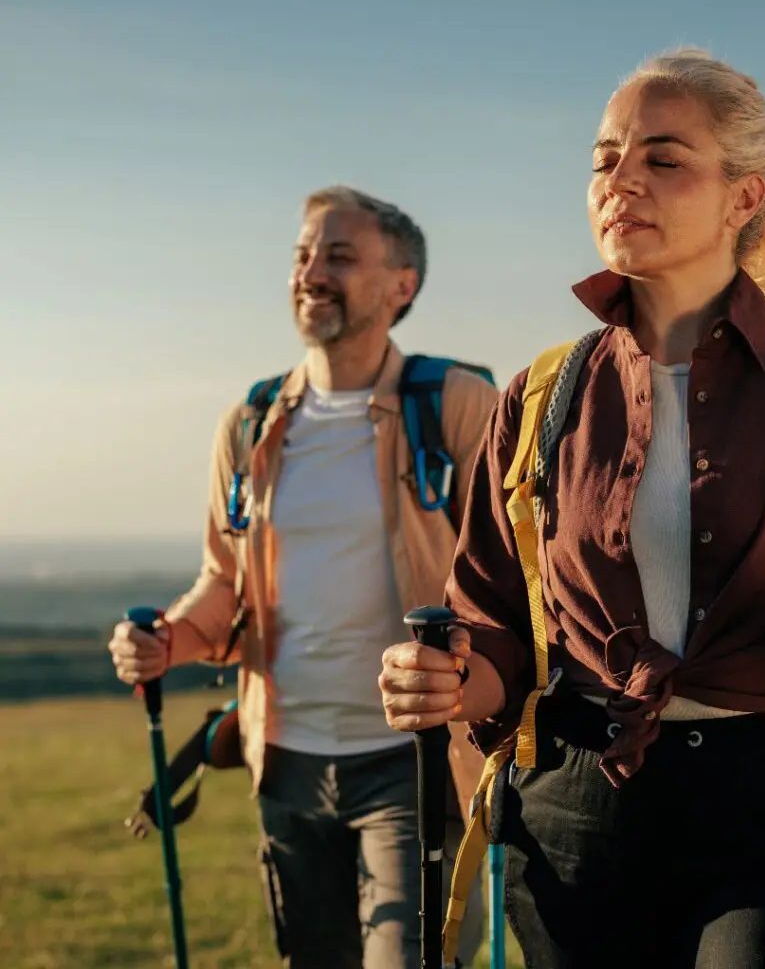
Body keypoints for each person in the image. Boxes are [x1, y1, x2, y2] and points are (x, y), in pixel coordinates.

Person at [377, 49, 765, 968]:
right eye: (605, 158)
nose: (621, 181)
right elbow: (494, 620)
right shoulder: (541, 395)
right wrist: (452, 679)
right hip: (573, 811)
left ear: (746, 196)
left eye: (663, 158)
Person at [108, 185, 495, 968]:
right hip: (285, 762)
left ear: (402, 285)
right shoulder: (252, 423)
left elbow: (509, 578)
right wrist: (169, 640)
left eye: (339, 257)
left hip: (416, 760)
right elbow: (225, 581)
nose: (311, 273)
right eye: (303, 256)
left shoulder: (456, 405)